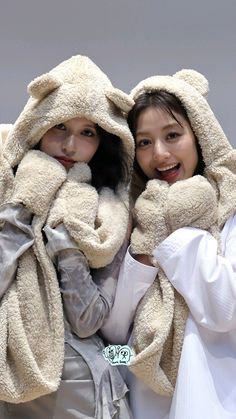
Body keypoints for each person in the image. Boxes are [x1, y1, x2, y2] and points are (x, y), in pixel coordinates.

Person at [0, 55, 135, 418]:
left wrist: (67, 244)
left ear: (103, 140)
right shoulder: (6, 187)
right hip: (17, 389)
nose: (70, 146)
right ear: (38, 125)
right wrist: (22, 207)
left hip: (88, 390)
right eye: (59, 126)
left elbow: (89, 321)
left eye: (87, 132)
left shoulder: (110, 212)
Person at [101, 69, 236, 419]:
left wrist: (181, 221)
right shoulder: (126, 216)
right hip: (143, 397)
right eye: (144, 142)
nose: (159, 154)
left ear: (200, 136)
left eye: (172, 135)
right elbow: (113, 334)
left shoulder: (231, 212)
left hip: (213, 399)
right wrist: (146, 247)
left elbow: (225, 309)